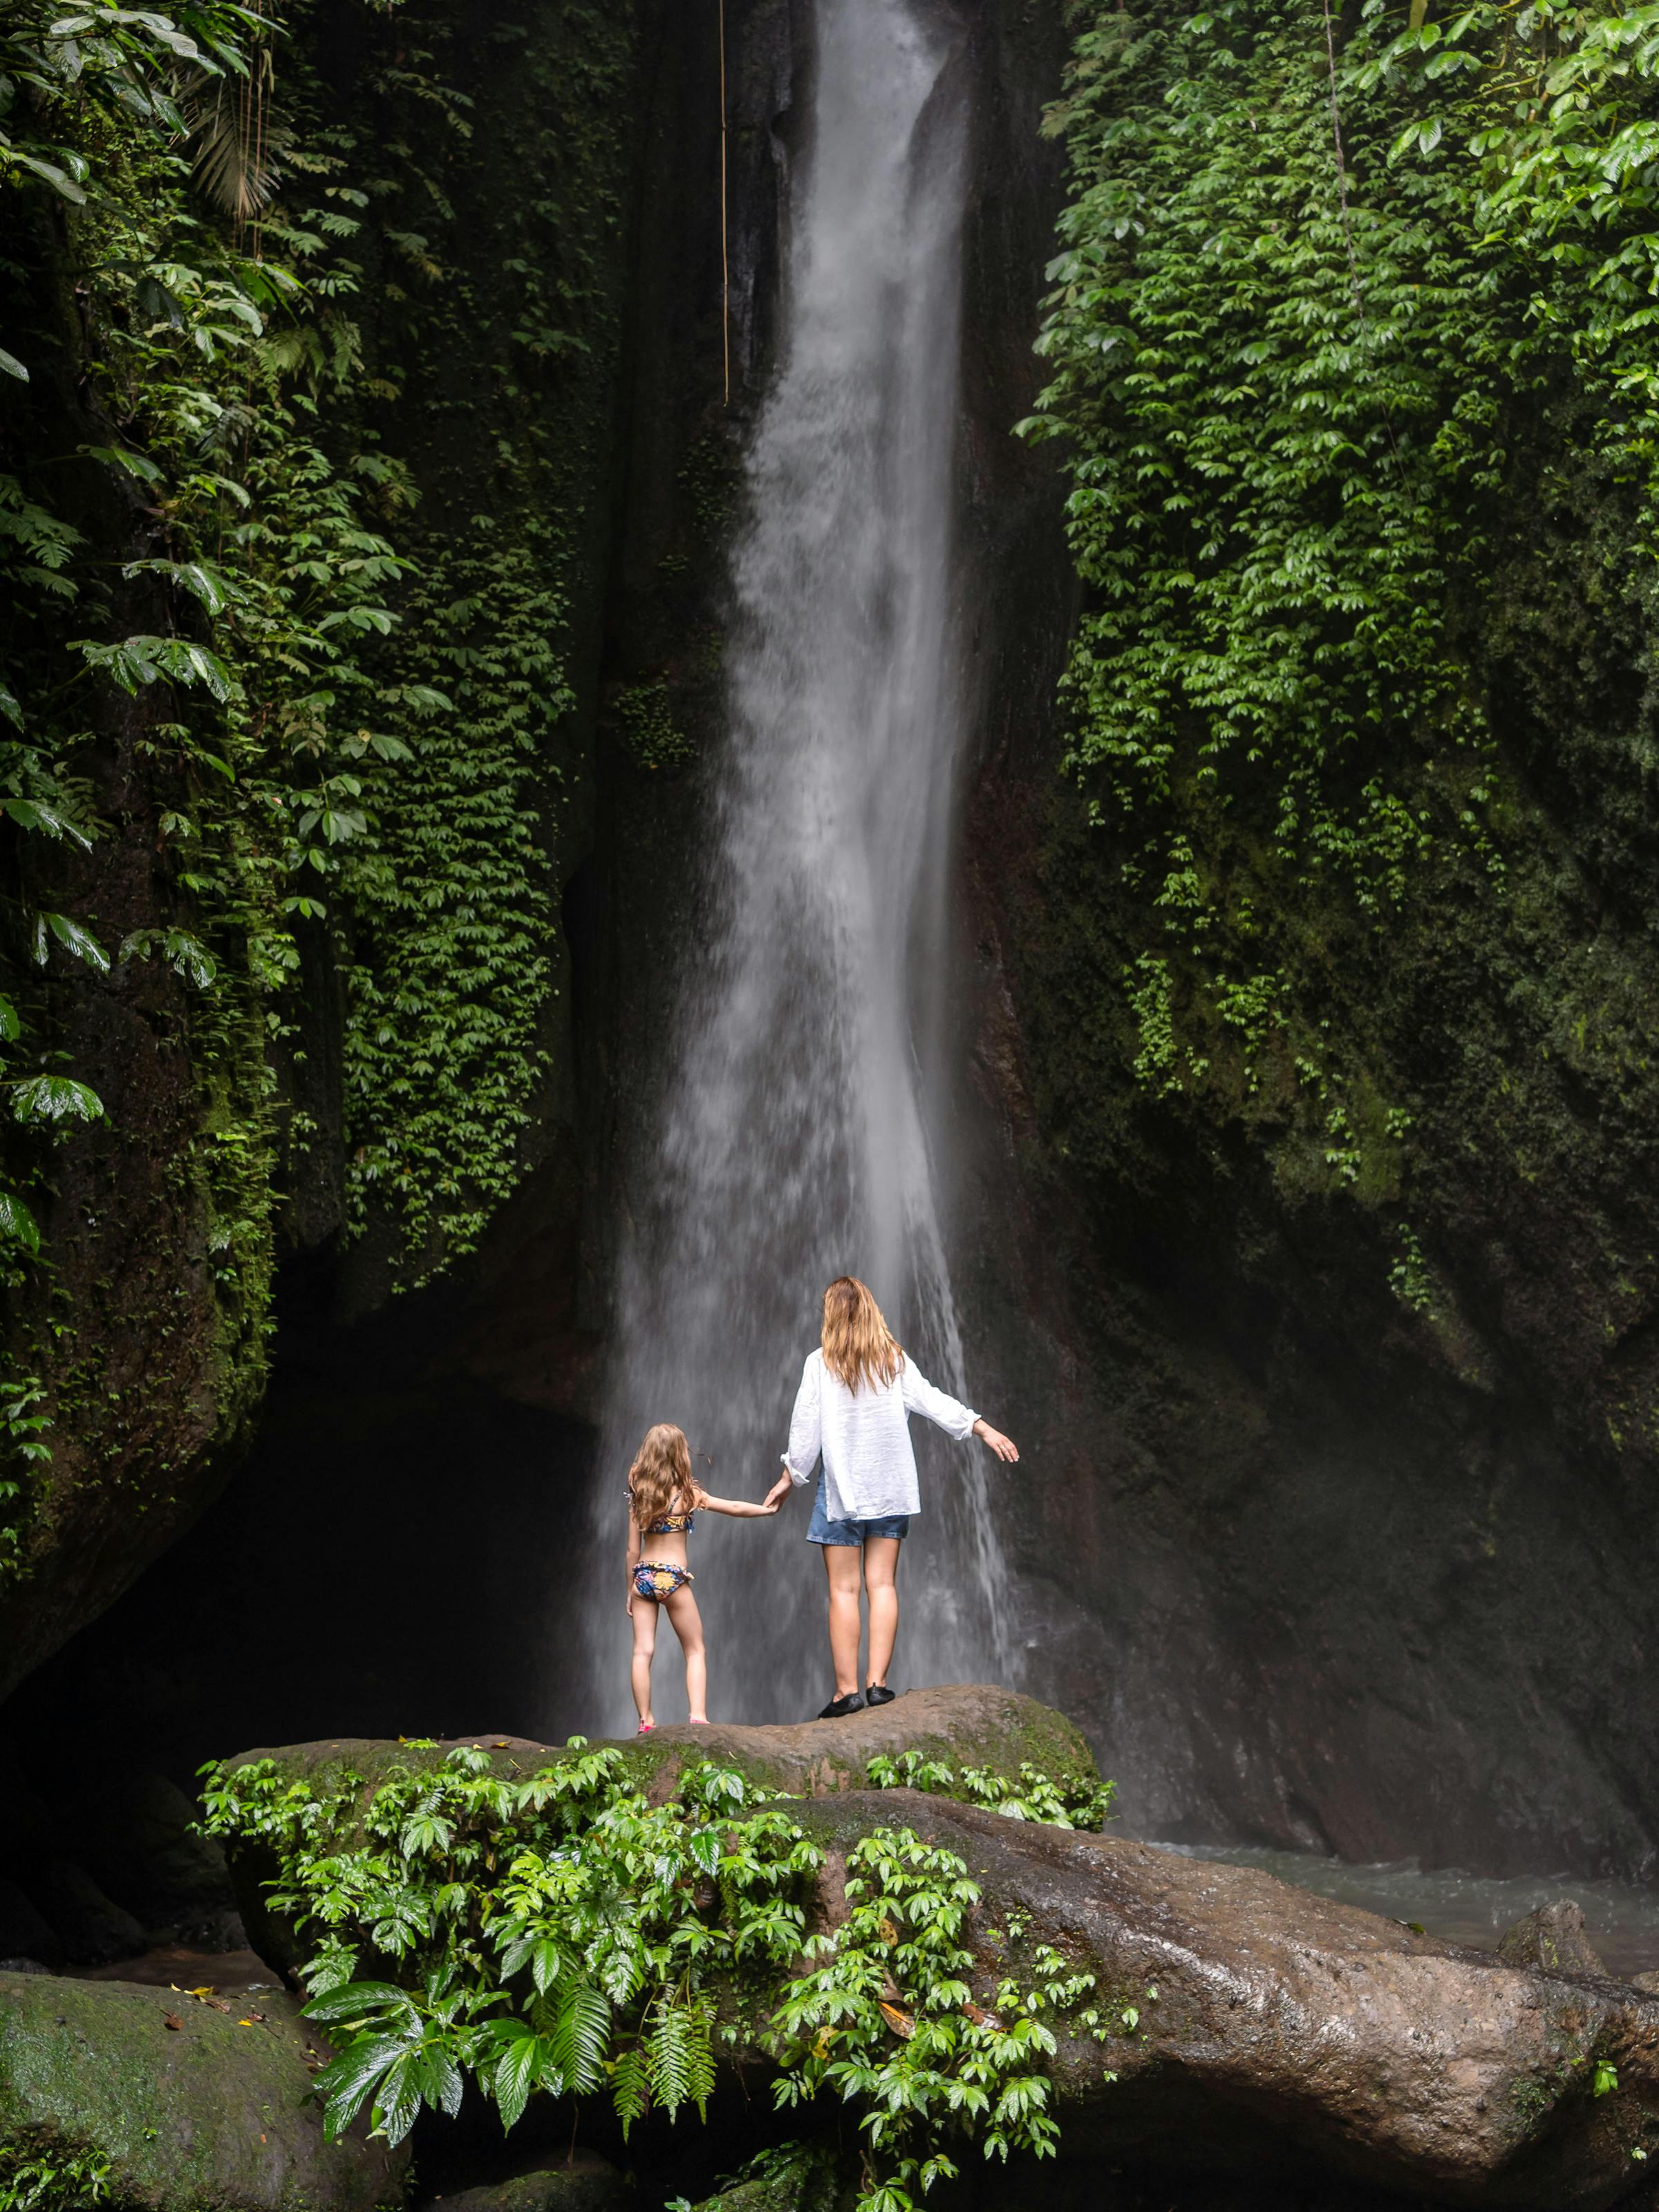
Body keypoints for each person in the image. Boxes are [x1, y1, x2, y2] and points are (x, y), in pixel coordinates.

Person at [763, 1276, 1019, 1719]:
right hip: (892, 1489)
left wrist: (792, 1476)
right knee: (882, 1584)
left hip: (842, 1491)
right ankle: (877, 1684)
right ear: (870, 1312)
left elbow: (805, 1430)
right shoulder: (893, 1361)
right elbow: (934, 1402)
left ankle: (847, 1693)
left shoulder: (820, 1363)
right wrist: (982, 1427)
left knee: (845, 1589)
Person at [626, 1421, 779, 1732]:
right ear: (679, 1456)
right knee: (695, 1649)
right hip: (673, 1579)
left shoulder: (638, 1495)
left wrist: (630, 1588)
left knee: (642, 1651)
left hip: (642, 1577)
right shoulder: (688, 1495)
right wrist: (767, 1510)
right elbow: (733, 1507)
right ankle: (697, 1717)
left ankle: (646, 1721)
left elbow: (631, 1550)